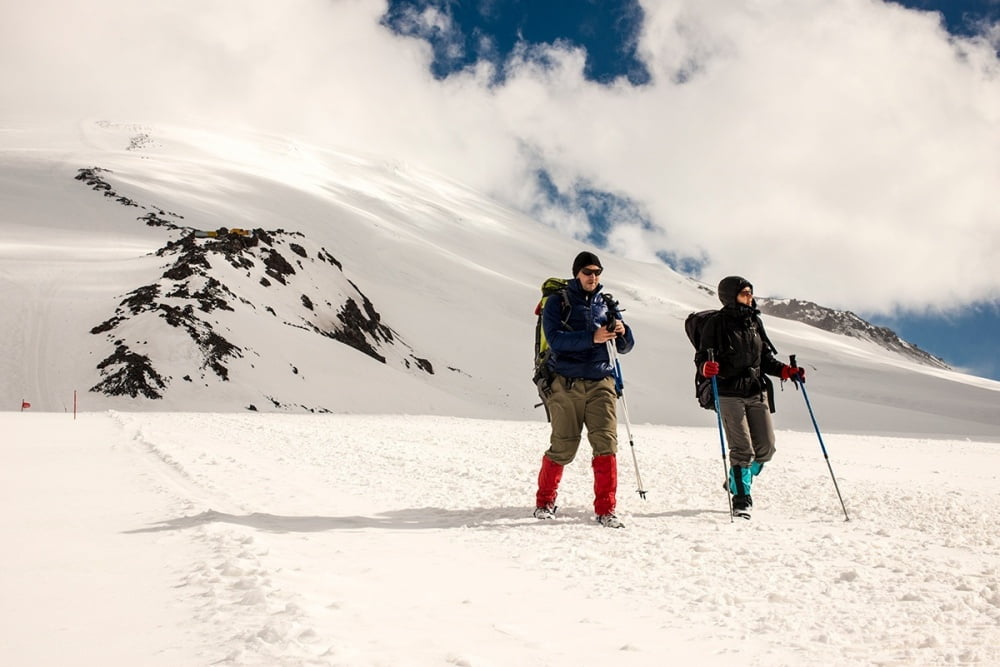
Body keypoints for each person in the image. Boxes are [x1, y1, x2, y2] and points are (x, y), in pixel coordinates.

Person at [533, 251, 635, 528]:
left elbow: (626, 347)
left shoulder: (607, 304)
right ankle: (544, 501)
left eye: (597, 272)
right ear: (577, 273)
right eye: (588, 272)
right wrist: (593, 337)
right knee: (564, 445)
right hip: (565, 383)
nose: (593, 276)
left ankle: (606, 509)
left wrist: (623, 333)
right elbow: (554, 339)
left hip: (602, 381)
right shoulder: (558, 302)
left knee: (606, 444)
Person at [695, 276, 804, 519]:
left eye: (750, 293)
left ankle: (736, 480)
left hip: (756, 390)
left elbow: (764, 359)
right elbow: (701, 356)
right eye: (744, 293)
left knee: (766, 448)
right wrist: (705, 368)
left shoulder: (753, 322)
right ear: (730, 295)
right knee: (742, 449)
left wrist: (786, 371)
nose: (750, 297)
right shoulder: (716, 323)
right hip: (728, 393)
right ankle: (741, 498)